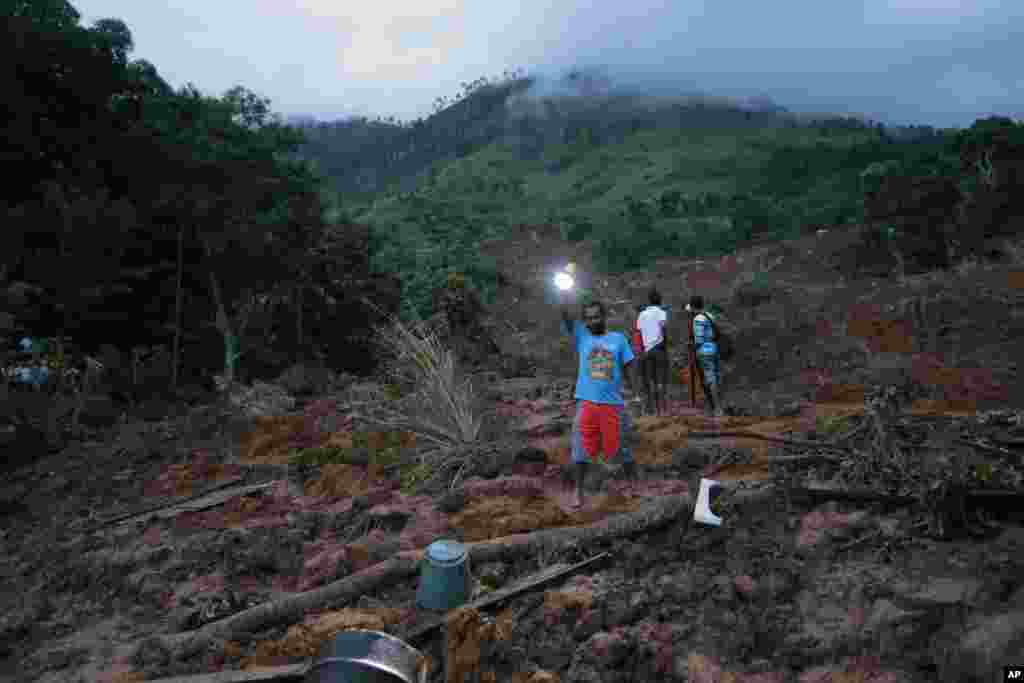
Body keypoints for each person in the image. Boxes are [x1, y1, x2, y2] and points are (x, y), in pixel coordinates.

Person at [559, 292, 639, 508]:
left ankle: (634, 485)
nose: (593, 321)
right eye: (589, 318)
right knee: (580, 448)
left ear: (604, 317)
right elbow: (566, 317)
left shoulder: (618, 339)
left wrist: (635, 391)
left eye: (597, 316)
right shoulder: (582, 336)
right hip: (586, 402)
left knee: (622, 446)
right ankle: (578, 491)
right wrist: (564, 293)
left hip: (613, 403)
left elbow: (629, 365)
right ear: (585, 321)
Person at [686, 295, 724, 418]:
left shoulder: (698, 319)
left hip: (704, 352)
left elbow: (699, 339)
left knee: (709, 379)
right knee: (715, 377)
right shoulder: (710, 316)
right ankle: (718, 406)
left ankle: (716, 408)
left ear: (693, 307)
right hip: (714, 348)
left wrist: (692, 347)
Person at [636, 288, 670, 416]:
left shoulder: (642, 314)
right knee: (661, 380)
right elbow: (664, 330)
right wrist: (666, 347)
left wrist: (641, 351)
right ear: (660, 300)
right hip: (659, 348)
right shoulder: (661, 312)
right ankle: (662, 410)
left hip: (646, 350)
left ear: (649, 301)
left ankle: (652, 410)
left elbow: (639, 333)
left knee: (651, 380)